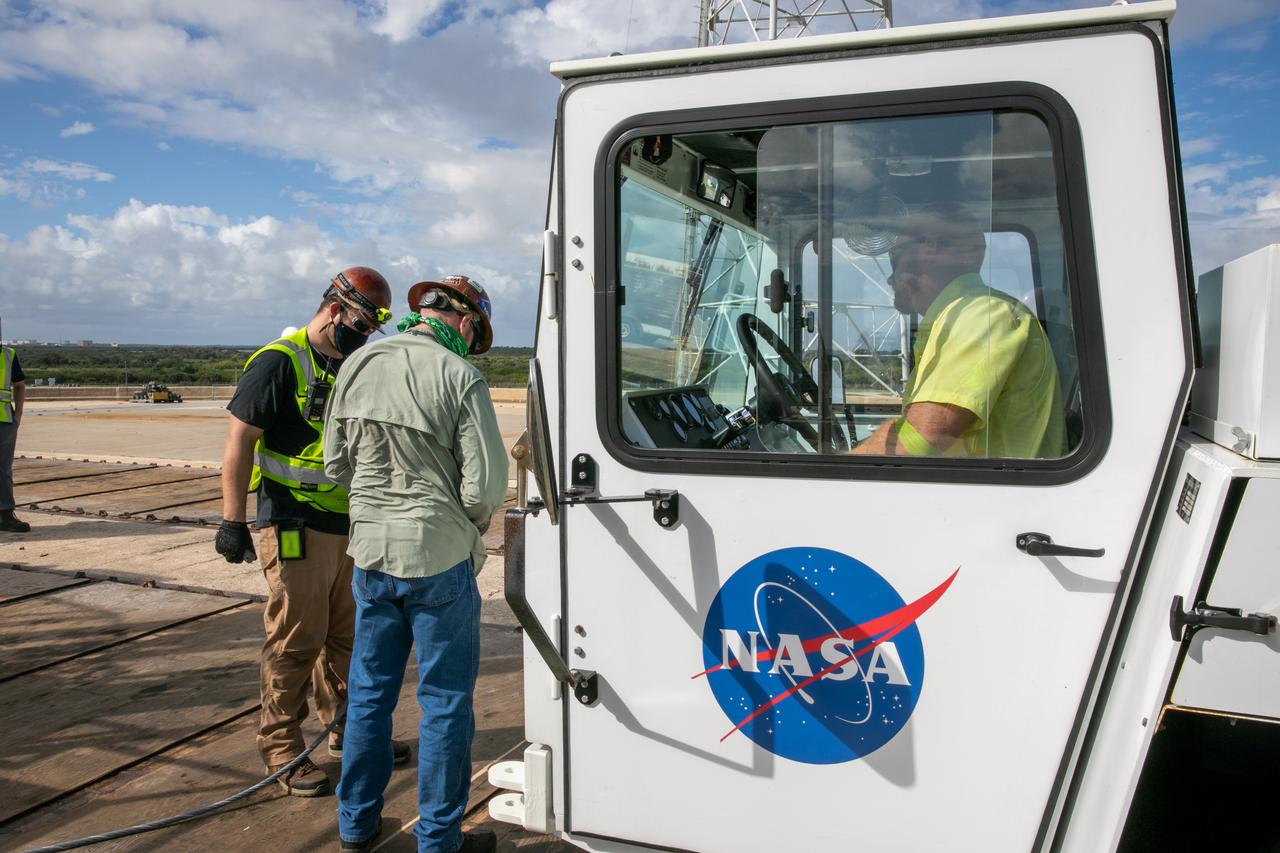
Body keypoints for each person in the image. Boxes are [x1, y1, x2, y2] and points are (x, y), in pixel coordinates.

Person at [325, 276, 508, 853]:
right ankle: (439, 840)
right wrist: (462, 527)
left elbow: (335, 462)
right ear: (463, 322)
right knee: (445, 703)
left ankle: (355, 824)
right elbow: (485, 487)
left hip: (371, 554)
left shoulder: (358, 363)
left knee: (370, 695)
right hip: (438, 558)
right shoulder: (460, 375)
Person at [215, 266, 409, 797]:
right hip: (291, 522)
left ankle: (349, 732)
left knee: (347, 640)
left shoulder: (345, 364)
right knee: (296, 639)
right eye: (361, 324)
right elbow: (239, 442)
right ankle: (282, 750)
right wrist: (232, 519)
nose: (364, 336)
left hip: (348, 524)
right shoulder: (279, 362)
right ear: (334, 309)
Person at [853, 204, 1066, 460]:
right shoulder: (960, 318)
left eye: (895, 258)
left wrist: (835, 464)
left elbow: (923, 439)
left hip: (996, 497)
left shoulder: (982, 315)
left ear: (928, 248)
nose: (890, 278)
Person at [0, 344, 29, 533]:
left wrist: (18, 415)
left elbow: (19, 385)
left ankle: (5, 514)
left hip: (4, 420)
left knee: (3, 470)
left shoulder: (8, 354)